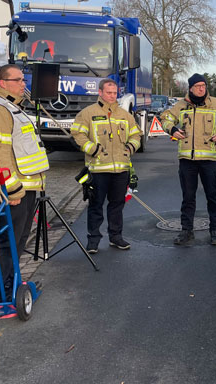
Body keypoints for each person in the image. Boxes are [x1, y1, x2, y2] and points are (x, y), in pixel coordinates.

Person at [0, 64, 49, 302]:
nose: (23, 84)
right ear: (2, 83)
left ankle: (11, 283)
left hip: (24, 188)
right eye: (18, 80)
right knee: (4, 244)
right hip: (10, 191)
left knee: (15, 243)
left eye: (23, 80)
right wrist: (11, 188)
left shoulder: (11, 107)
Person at [161, 74, 216, 246]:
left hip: (209, 160)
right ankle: (186, 231)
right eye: (198, 86)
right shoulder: (181, 105)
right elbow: (165, 118)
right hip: (187, 160)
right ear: (191, 88)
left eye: (204, 85)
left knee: (212, 196)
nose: (202, 88)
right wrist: (171, 130)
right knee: (188, 197)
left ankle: (215, 231)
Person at [71, 79, 141, 253]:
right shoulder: (87, 113)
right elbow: (77, 134)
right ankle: (93, 240)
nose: (112, 96)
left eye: (114, 92)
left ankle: (116, 237)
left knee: (117, 206)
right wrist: (93, 150)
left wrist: (130, 148)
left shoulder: (125, 115)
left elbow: (136, 135)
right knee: (95, 206)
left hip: (121, 170)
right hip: (98, 169)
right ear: (100, 93)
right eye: (108, 92)